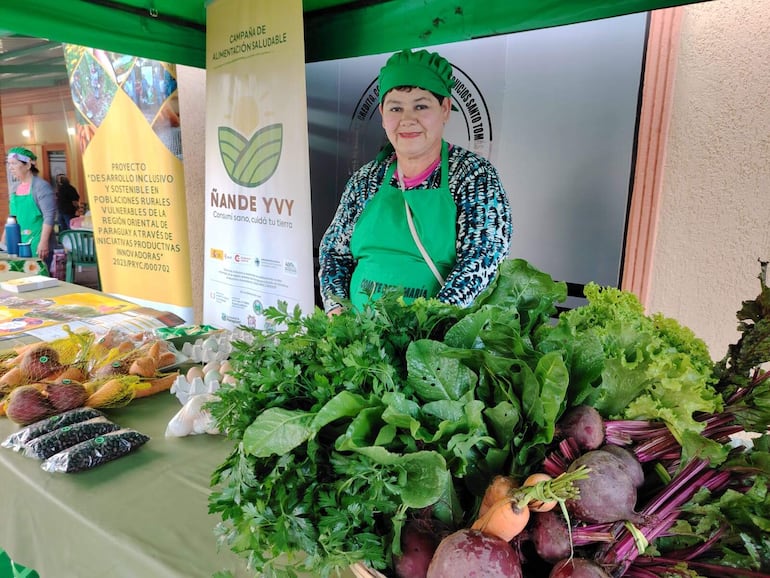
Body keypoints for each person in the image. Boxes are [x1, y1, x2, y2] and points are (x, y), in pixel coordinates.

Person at [318, 48, 513, 314]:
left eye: (421, 106)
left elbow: (482, 260)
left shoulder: (473, 175)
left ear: (444, 109)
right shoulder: (366, 179)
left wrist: (429, 328)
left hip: (435, 343)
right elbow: (334, 253)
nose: (407, 120)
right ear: (383, 115)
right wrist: (336, 310)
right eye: (396, 108)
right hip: (358, 338)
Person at [2, 147, 57, 271]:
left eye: (14, 164)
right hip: (18, 241)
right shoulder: (15, 188)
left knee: (39, 278)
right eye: (9, 164)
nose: (11, 168)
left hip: (37, 241)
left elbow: (49, 216)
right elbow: (12, 216)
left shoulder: (41, 187)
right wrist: (4, 239)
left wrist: (43, 242)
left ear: (27, 165)